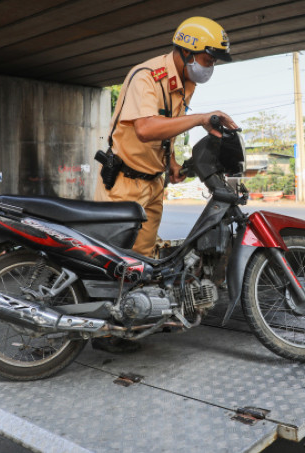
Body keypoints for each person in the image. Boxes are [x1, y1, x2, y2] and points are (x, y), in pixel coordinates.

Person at [92, 17, 237, 353]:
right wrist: (201, 118)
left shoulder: (185, 82)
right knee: (116, 262)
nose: (210, 67)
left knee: (141, 262)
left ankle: (128, 324)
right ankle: (102, 332)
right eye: (208, 59)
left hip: (153, 183)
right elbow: (145, 128)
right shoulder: (146, 77)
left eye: (213, 61)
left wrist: (171, 163)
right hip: (124, 184)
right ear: (187, 51)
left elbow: (167, 128)